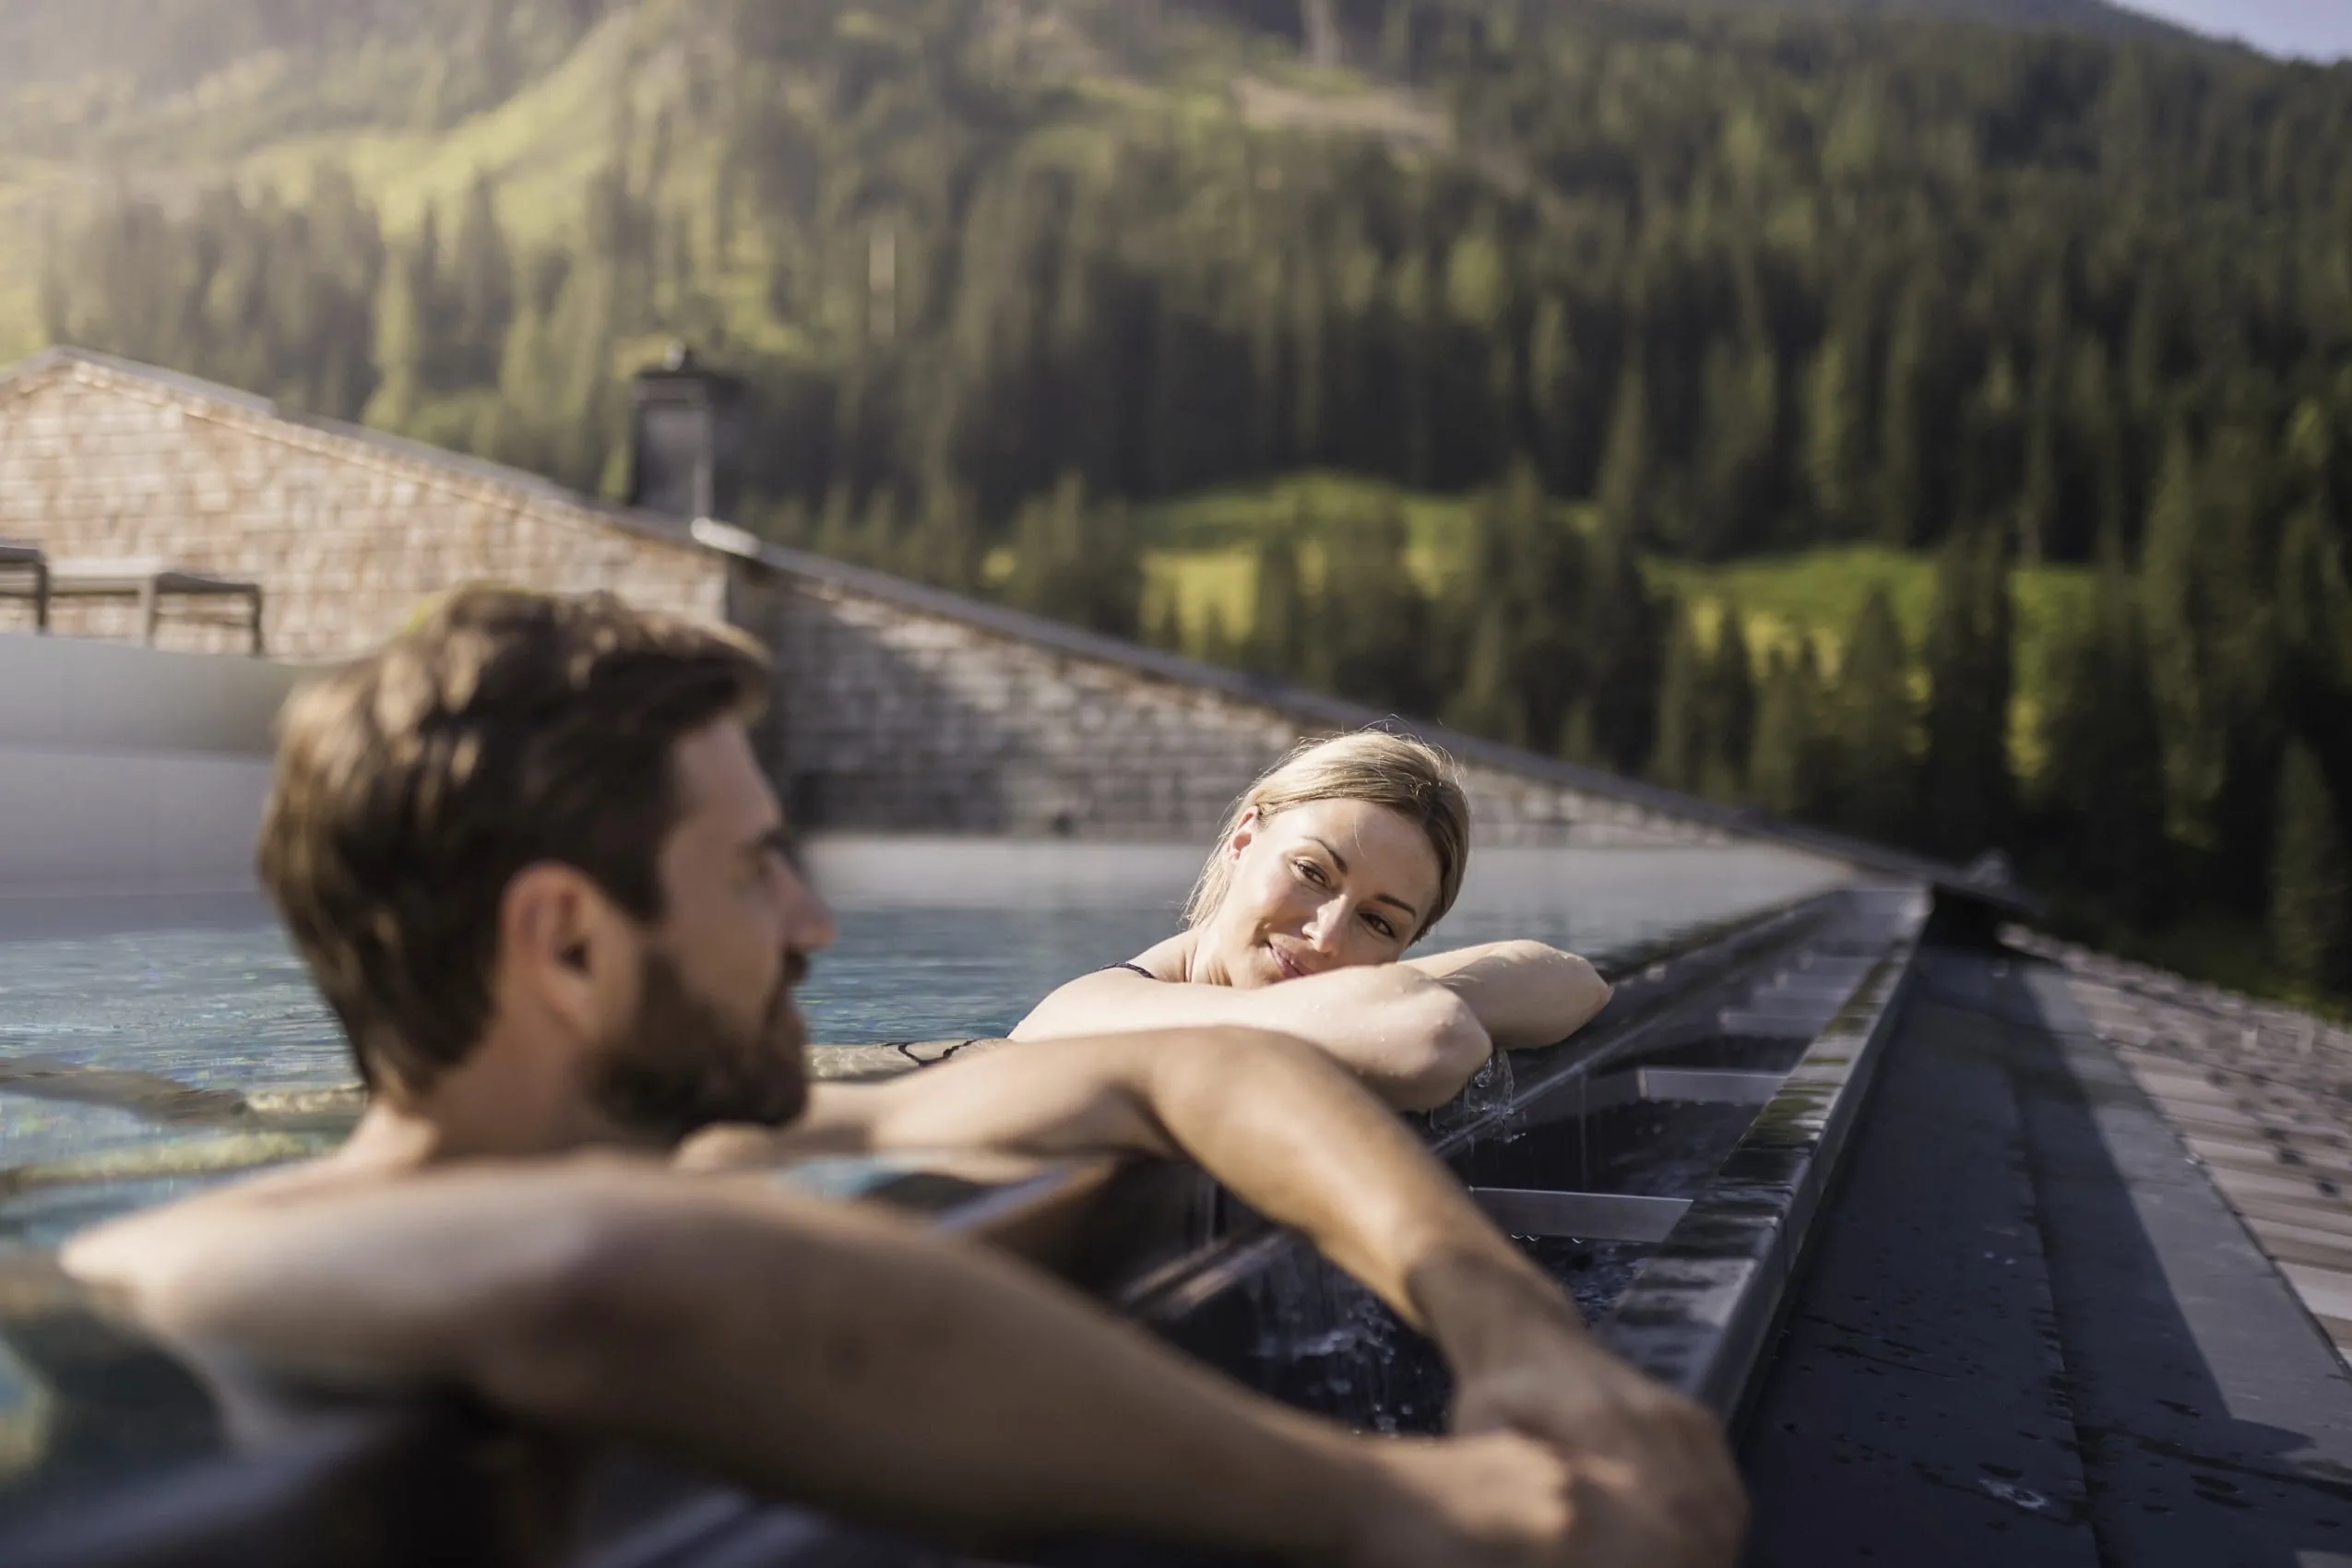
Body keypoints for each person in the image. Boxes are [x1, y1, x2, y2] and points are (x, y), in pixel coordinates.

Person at [63, 588, 1742, 1568]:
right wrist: (1411, 1510)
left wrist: (1510, 1333)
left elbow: (1211, 1089)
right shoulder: (181, 1270)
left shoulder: (787, 1115)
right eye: (754, 876)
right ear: (567, 943)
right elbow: (613, 1281)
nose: (814, 919)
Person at [1012, 731, 1615, 1110]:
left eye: (1378, 924)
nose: (1325, 937)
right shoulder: (1086, 1009)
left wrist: (1382, 1000)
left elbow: (1576, 984)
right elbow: (1433, 1042)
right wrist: (1380, 1004)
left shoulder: (1324, 1002)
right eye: (1313, 873)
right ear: (1245, 839)